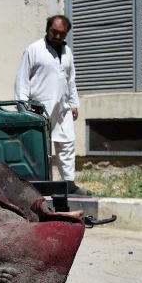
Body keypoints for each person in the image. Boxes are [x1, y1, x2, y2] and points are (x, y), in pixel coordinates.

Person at [14, 15, 89, 196]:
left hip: (63, 108)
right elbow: (22, 79)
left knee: (67, 145)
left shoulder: (67, 52)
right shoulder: (34, 50)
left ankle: (69, 184)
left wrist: (73, 102)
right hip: (39, 109)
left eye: (61, 34)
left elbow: (71, 80)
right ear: (48, 29)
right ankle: (39, 186)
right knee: (40, 150)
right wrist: (22, 106)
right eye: (54, 32)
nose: (57, 36)